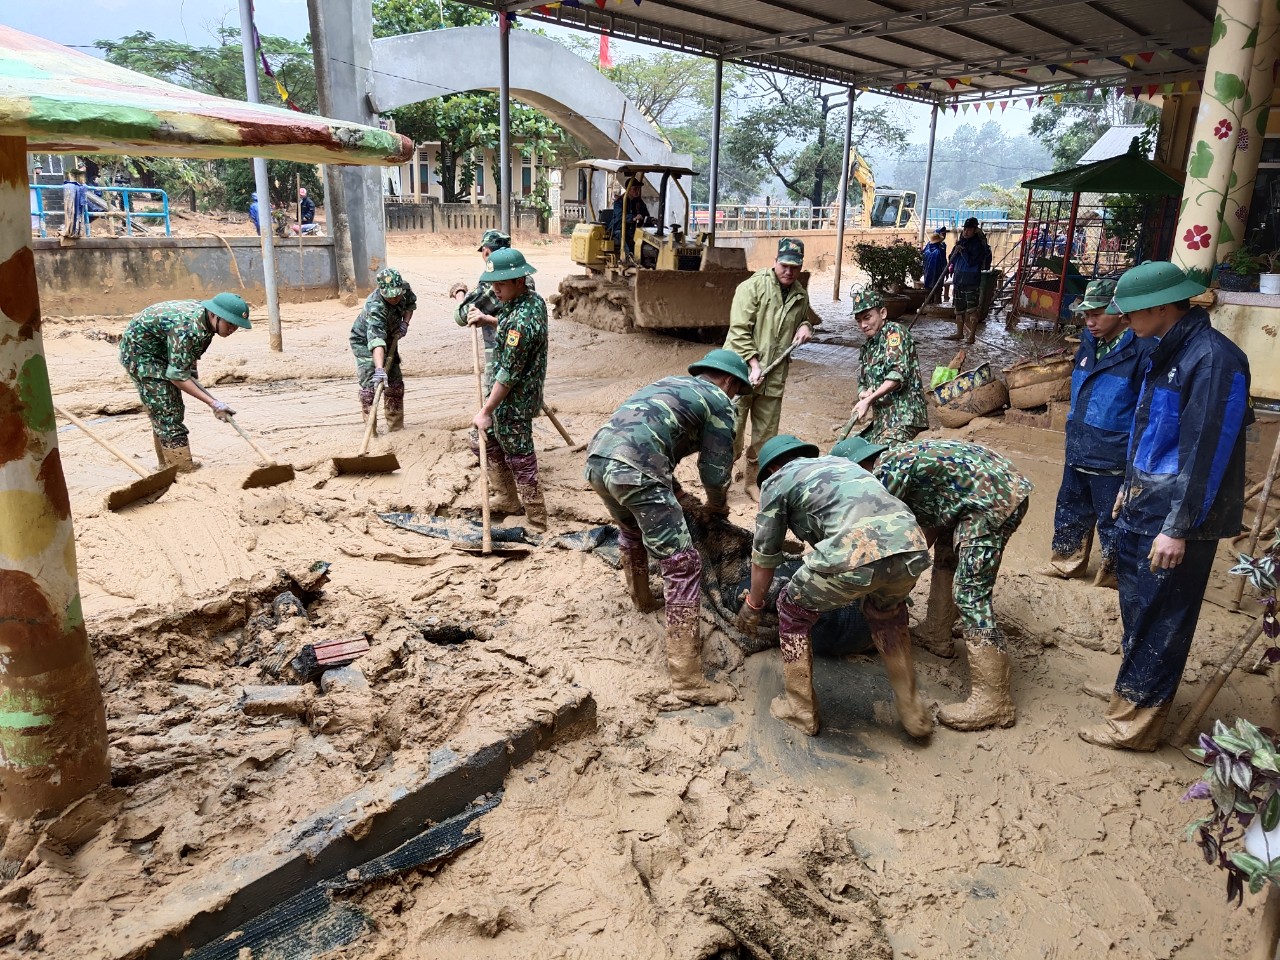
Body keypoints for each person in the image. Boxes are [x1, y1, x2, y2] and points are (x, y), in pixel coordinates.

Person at [1079, 261, 1252, 751]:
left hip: (1178, 515)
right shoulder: (1164, 349)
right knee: (1136, 602)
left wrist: (1178, 526)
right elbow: (1149, 429)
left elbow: (1207, 453)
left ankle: (1135, 724)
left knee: (1163, 615)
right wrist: (1126, 487)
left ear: (1158, 308)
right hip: (1144, 500)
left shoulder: (1214, 359)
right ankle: (1128, 689)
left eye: (1130, 312)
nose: (1124, 320)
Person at [735, 435, 933, 738]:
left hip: (858, 550)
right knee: (887, 615)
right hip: (911, 545)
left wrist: (754, 605)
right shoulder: (842, 464)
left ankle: (800, 710)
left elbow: (764, 558)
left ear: (771, 468)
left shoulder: (778, 480)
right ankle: (913, 712)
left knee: (792, 607)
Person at [585, 349, 751, 704]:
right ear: (730, 382)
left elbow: (654, 438)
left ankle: (642, 598)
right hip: (635, 469)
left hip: (598, 460)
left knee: (631, 532)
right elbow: (716, 470)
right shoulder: (720, 400)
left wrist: (674, 491)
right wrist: (717, 506)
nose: (735, 397)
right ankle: (688, 680)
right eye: (737, 391)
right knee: (683, 564)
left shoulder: (671, 385)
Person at [839, 436, 1033, 731]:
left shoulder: (884, 474)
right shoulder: (902, 460)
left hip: (991, 500)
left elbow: (881, 542)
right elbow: (921, 535)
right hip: (978, 493)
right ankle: (937, 633)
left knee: (970, 593)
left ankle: (994, 698)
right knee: (947, 558)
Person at [1041, 279, 1153, 589]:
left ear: (1119, 312)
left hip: (1112, 450)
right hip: (1078, 441)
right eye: (1086, 315)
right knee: (1071, 506)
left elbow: (1145, 411)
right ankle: (1066, 562)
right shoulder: (1089, 342)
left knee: (1112, 516)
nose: (1090, 322)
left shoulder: (1143, 348)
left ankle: (1112, 574)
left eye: (1098, 314)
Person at [118, 293, 252, 472]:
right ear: (215, 315)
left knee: (167, 409)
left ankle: (167, 466)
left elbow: (189, 354)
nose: (232, 329)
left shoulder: (206, 321)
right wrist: (213, 403)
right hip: (142, 354)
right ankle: (181, 470)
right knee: (168, 410)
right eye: (230, 323)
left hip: (164, 347)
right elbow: (177, 376)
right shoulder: (189, 328)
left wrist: (191, 373)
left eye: (237, 325)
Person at [724, 237, 816, 494]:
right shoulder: (751, 287)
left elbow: (806, 318)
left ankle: (753, 482)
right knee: (730, 430)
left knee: (766, 435)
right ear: (775, 261)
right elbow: (739, 331)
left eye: (795, 267)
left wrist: (806, 326)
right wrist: (753, 365)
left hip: (773, 376)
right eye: (784, 265)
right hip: (740, 374)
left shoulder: (799, 294)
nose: (789, 271)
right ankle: (720, 482)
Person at [472, 248, 550, 530]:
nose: (495, 290)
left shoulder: (521, 322)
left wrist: (486, 410)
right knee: (480, 439)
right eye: (493, 283)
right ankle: (507, 498)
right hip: (511, 396)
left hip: (514, 400)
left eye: (501, 284)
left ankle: (537, 520)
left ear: (519, 280)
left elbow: (508, 375)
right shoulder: (529, 301)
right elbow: (509, 324)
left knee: (521, 459)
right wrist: (488, 319)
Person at [848, 287, 928, 446]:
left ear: (883, 313)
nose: (863, 325)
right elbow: (862, 380)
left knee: (880, 459)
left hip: (904, 419)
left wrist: (869, 399)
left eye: (867, 317)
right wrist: (863, 393)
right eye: (859, 320)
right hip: (882, 422)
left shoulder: (895, 333)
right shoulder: (868, 346)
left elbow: (896, 376)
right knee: (849, 450)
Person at [349, 267, 416, 432]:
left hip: (390, 336)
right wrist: (379, 369)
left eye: (397, 294)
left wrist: (405, 324)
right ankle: (370, 431)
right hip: (365, 341)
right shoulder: (375, 306)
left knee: (394, 383)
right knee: (371, 385)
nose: (394, 298)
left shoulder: (404, 289)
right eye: (390, 295)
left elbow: (410, 305)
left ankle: (396, 428)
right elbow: (376, 340)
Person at [949, 216, 992, 343]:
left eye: (969, 229)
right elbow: (951, 259)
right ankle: (959, 333)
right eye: (965, 229)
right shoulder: (961, 243)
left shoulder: (978, 246)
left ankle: (971, 336)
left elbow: (972, 262)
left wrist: (963, 252)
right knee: (959, 309)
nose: (966, 232)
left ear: (975, 230)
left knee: (972, 309)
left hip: (971, 281)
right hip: (958, 280)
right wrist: (956, 252)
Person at [610, 177, 651, 252]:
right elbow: (620, 216)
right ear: (628, 190)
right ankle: (627, 257)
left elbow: (645, 215)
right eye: (635, 189)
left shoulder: (639, 202)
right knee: (622, 234)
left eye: (638, 189)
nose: (637, 191)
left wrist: (651, 220)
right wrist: (633, 218)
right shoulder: (619, 202)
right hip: (619, 228)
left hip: (634, 229)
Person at [922, 231, 947, 301]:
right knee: (937, 293)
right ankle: (937, 309)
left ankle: (927, 309)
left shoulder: (926, 251)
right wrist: (946, 272)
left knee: (928, 293)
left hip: (927, 276)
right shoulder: (940, 251)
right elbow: (944, 264)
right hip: (937, 275)